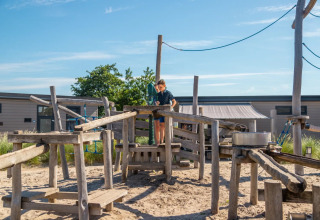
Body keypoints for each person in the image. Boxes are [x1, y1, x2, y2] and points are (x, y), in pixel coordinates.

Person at [156, 79, 176, 144]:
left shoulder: (168, 93)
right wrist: (157, 103)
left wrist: (171, 107)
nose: (160, 88)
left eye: (161, 87)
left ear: (164, 86)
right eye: (159, 87)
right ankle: (162, 141)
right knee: (161, 126)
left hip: (167, 112)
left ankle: (168, 141)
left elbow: (174, 101)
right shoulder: (158, 94)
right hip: (161, 111)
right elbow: (157, 103)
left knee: (167, 125)